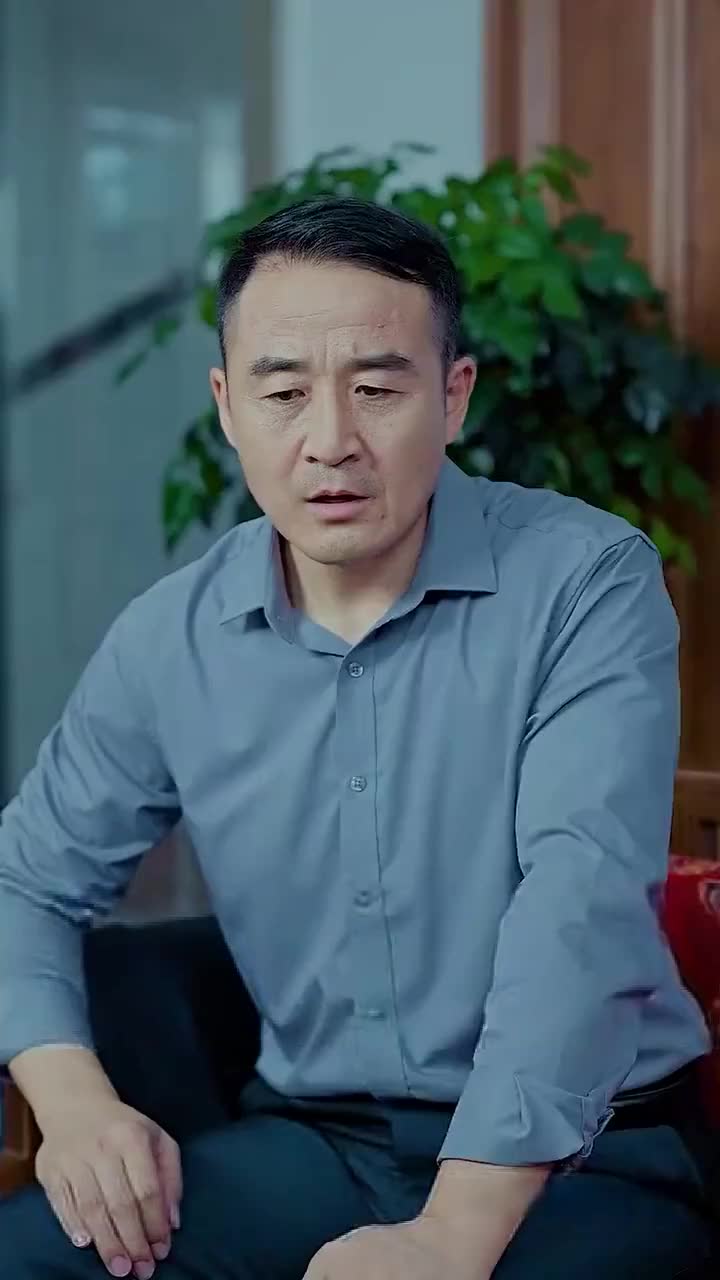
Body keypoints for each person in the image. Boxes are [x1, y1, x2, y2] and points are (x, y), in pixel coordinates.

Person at [0, 196, 713, 1280]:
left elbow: (581, 907)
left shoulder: (585, 581)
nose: (329, 439)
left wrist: (451, 1232)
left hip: (590, 1153)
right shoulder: (170, 637)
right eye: (284, 391)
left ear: (454, 394)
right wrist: (74, 1102)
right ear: (228, 405)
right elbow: (25, 880)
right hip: (317, 1141)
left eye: (377, 389)